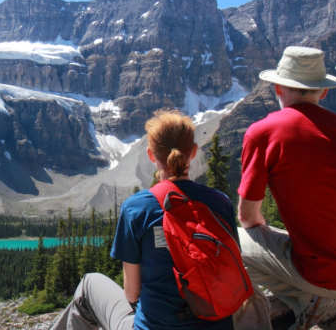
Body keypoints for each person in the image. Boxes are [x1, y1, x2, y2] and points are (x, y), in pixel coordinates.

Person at [235, 46, 336, 329]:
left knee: (228, 242)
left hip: (333, 275)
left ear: (278, 88)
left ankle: (302, 302)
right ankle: (317, 297)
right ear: (323, 92)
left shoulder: (263, 132)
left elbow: (248, 217)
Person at [50, 110, 235, 330]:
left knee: (89, 284)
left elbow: (132, 293)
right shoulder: (221, 203)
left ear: (151, 155)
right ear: (193, 152)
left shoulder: (137, 208)